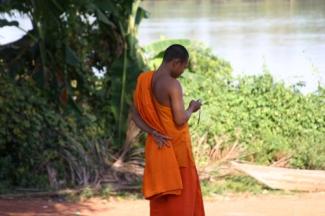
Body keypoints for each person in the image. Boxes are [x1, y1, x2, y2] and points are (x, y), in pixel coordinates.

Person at [132, 44, 205, 216]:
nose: (182, 72)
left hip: (158, 148)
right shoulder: (173, 85)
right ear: (175, 62)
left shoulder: (144, 79)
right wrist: (192, 108)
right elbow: (180, 119)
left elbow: (134, 115)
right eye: (183, 67)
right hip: (177, 152)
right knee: (181, 203)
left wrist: (151, 131)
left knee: (162, 204)